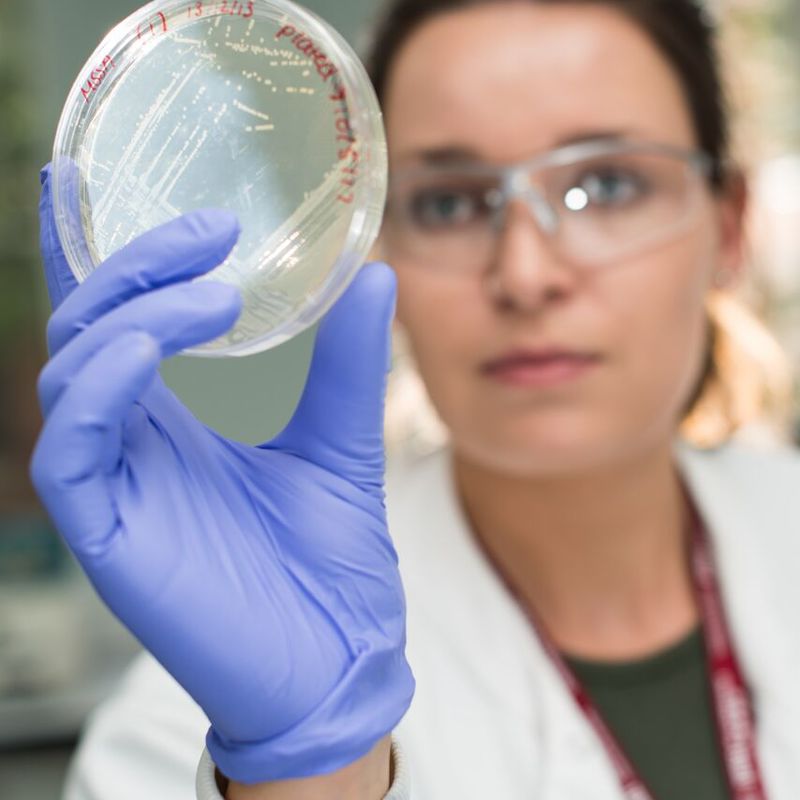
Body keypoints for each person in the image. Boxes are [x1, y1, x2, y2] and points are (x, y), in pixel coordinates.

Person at [31, 1, 800, 799]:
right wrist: (308, 768)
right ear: (381, 238)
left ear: (731, 226)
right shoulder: (178, 732)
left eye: (605, 185)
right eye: (451, 203)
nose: (527, 274)